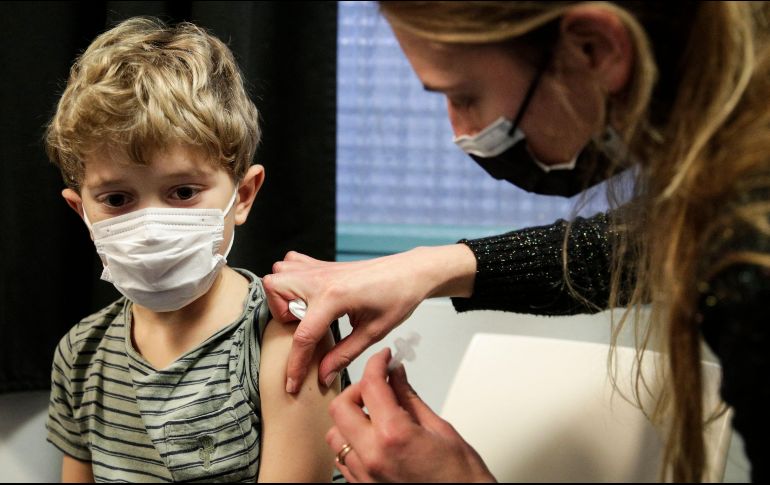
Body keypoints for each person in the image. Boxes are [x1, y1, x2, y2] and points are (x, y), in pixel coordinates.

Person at [264, 1, 770, 482]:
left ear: (594, 48)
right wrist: (431, 267)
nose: (459, 130)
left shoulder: (750, 253)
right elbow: (641, 249)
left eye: (463, 95)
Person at [44, 17, 342, 483]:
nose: (149, 227)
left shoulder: (286, 337)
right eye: (117, 199)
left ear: (243, 195)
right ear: (80, 210)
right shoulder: (81, 354)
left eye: (183, 192)